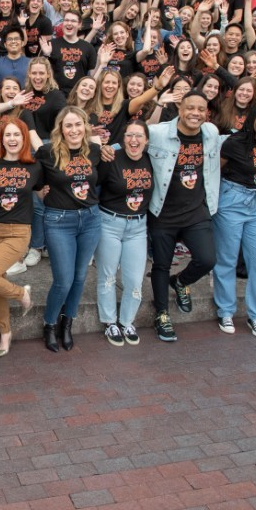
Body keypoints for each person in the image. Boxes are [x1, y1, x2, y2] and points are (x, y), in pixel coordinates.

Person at [146, 93, 221, 342]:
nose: (195, 113)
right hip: (163, 212)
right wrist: (106, 149)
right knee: (161, 264)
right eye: (190, 108)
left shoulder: (210, 132)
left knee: (207, 258)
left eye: (201, 109)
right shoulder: (158, 133)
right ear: (180, 107)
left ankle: (180, 282)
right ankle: (162, 314)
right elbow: (133, 139)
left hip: (196, 212)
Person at [212, 101, 256, 339]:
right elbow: (214, 172)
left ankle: (255, 315)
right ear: (252, 118)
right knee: (227, 259)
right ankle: (226, 310)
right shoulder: (235, 142)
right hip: (232, 200)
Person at [38, 106, 102, 352]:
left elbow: (104, 179)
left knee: (80, 277)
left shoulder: (95, 152)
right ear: (61, 129)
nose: (74, 130)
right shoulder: (47, 152)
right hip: (59, 221)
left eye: (78, 125)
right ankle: (50, 323)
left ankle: (67, 323)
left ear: (85, 127)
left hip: (90, 219)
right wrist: (38, 192)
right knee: (63, 280)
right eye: (68, 125)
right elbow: (33, 178)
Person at [0, 117, 38, 356]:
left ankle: (23, 294)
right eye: (7, 135)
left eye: (17, 135)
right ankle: (5, 332)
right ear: (0, 140)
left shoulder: (34, 167)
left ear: (24, 139)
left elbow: (44, 191)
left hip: (18, 232)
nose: (12, 139)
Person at [95, 121, 153, 346]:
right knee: (108, 276)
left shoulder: (152, 160)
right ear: (123, 138)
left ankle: (127, 321)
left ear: (146, 139)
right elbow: (93, 181)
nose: (134, 141)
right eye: (129, 135)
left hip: (138, 226)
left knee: (135, 279)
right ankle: (110, 322)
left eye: (139, 136)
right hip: (109, 222)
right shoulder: (112, 158)